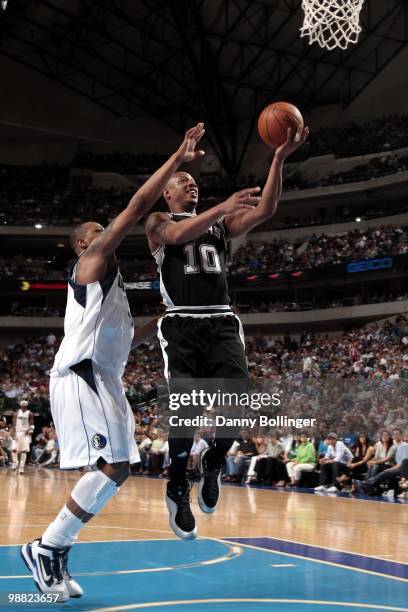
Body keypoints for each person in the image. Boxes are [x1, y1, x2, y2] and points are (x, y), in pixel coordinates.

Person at [21, 124, 206, 601]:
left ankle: (51, 547)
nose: (107, 234)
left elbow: (127, 341)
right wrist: (177, 158)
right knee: (109, 465)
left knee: (119, 468)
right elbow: (140, 206)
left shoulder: (114, 289)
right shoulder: (91, 264)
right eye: (98, 232)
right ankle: (49, 546)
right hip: (80, 374)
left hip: (105, 375)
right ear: (83, 245)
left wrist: (167, 319)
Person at [146, 124, 309, 539]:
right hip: (182, 322)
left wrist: (278, 159)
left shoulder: (218, 226)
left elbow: (266, 210)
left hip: (220, 320)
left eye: (194, 181)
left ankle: (214, 461)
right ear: (166, 191)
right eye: (183, 180)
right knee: (186, 410)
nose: (191, 184)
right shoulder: (158, 221)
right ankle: (178, 484)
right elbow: (182, 233)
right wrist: (222, 207)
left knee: (238, 402)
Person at [11, 400, 34, 474]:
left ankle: (21, 468)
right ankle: (15, 462)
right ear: (20, 405)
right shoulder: (17, 413)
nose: (23, 405)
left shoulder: (30, 413)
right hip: (17, 432)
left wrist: (30, 429)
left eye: (25, 404)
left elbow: (32, 424)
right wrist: (13, 433)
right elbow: (14, 424)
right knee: (14, 449)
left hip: (25, 433)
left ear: (27, 405)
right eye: (22, 404)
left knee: (24, 451)